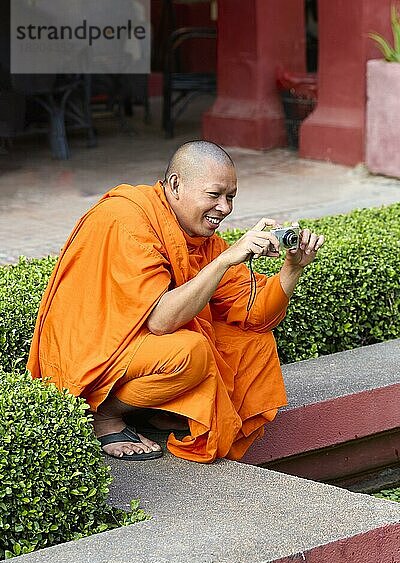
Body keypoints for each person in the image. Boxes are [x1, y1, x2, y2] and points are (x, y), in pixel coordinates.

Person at [27, 140, 324, 463]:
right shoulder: (125, 218)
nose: (224, 208)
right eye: (214, 195)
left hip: (135, 347)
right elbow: (160, 321)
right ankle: (104, 416)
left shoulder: (198, 238)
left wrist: (292, 269)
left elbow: (255, 314)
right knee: (190, 353)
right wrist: (225, 261)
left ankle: (153, 408)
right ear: (175, 185)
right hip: (90, 349)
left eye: (231, 197)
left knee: (252, 342)